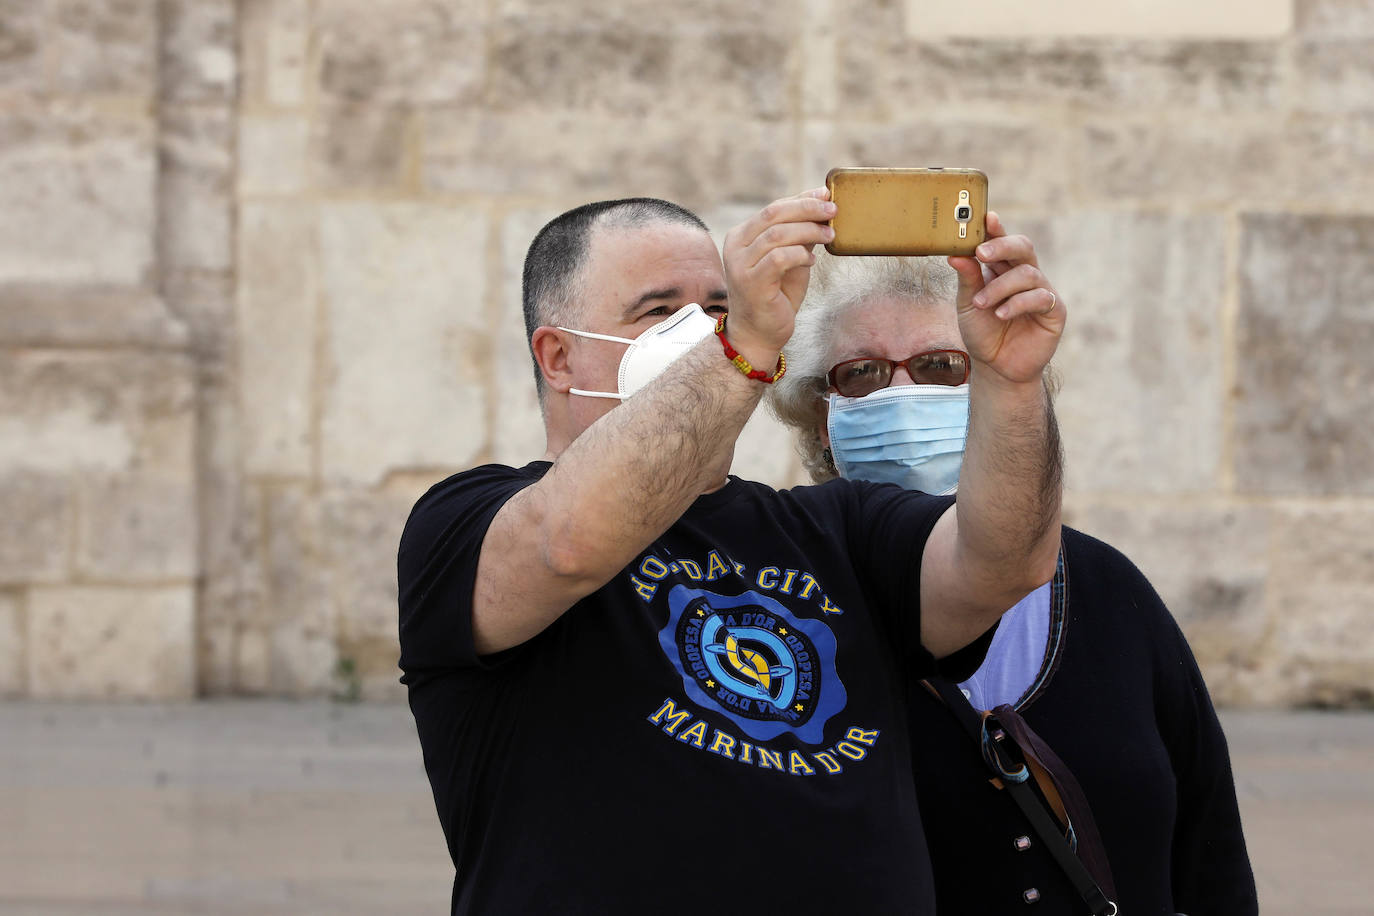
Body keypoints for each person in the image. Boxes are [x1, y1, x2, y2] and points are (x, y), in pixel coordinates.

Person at [397, 191, 1066, 914]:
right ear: (558, 357)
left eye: (719, 308)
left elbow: (1006, 564)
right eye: (659, 312)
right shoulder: (466, 521)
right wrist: (740, 344)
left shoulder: (835, 528)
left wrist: (1013, 382)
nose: (702, 333)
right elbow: (567, 545)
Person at [768, 217, 1258, 915]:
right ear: (821, 419)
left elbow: (1210, 855)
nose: (902, 398)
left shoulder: (1107, 588)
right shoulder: (781, 599)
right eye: (864, 374)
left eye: (943, 366)